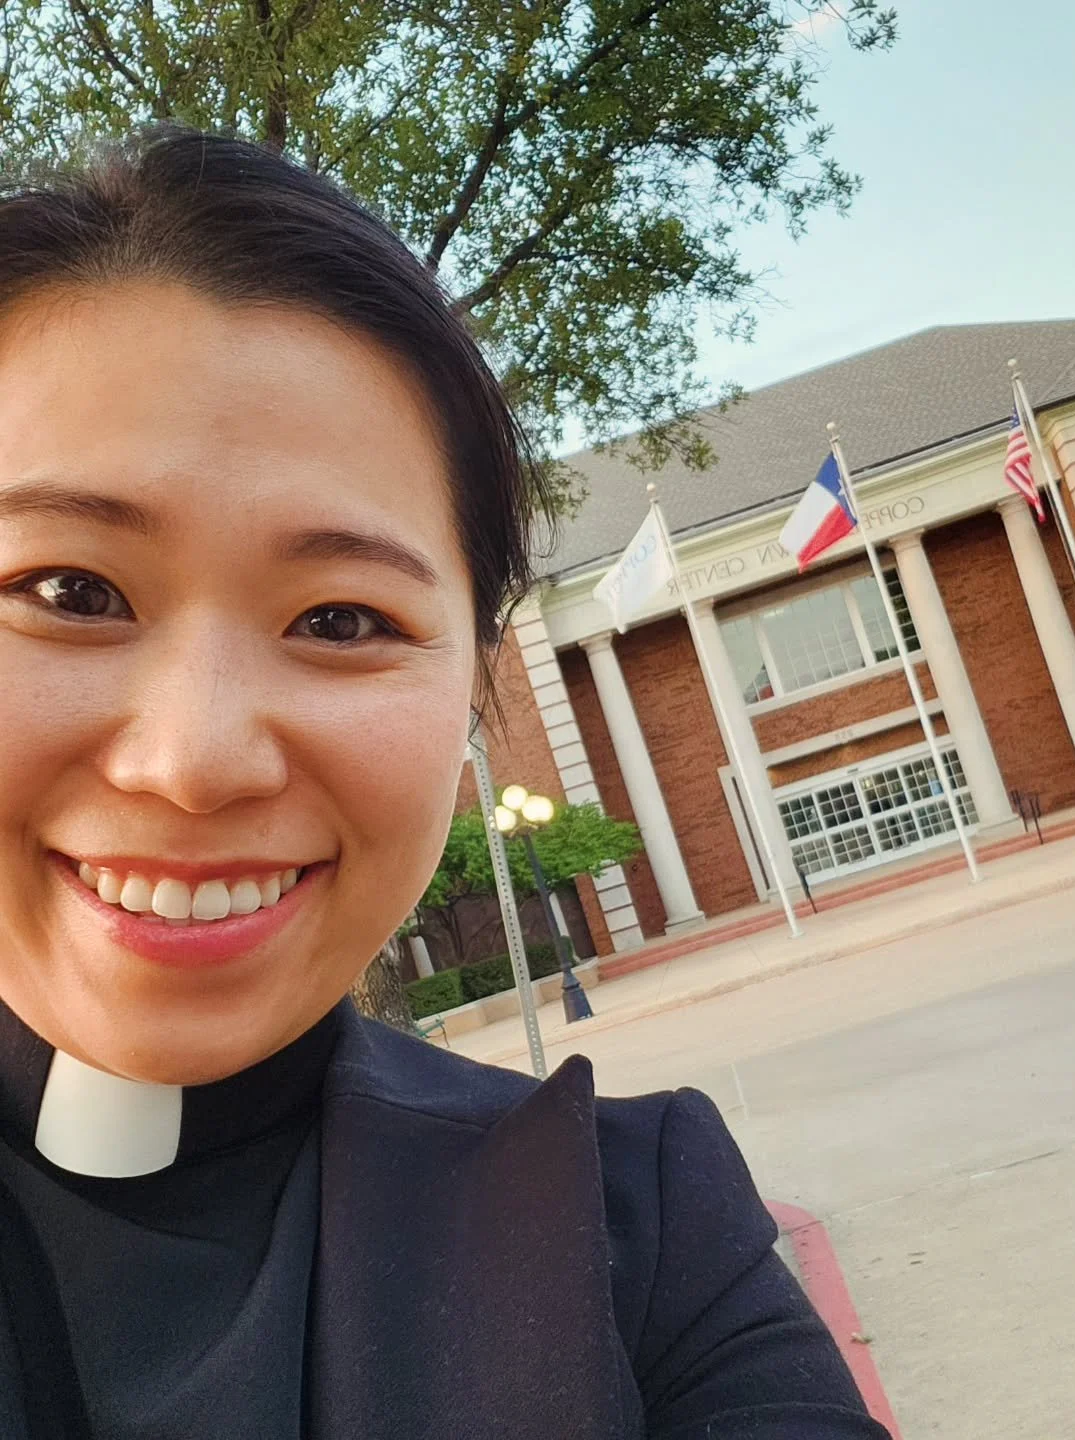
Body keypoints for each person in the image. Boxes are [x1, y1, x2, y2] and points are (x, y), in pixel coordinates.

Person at [0, 127, 890, 1439]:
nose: (191, 762)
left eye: (345, 619)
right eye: (69, 592)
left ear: (474, 684)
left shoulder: (635, 1237)